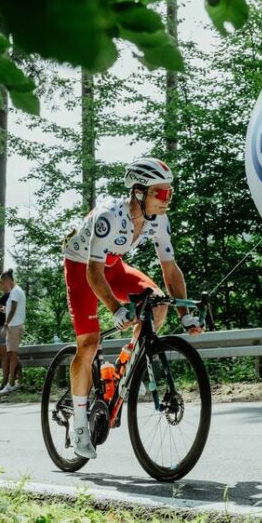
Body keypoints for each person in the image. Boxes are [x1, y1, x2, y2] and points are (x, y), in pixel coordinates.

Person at [62, 157, 203, 459]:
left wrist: (185, 314)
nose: (167, 200)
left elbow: (170, 268)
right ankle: (79, 423)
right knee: (88, 345)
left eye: (170, 193)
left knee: (159, 302)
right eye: (161, 193)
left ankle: (125, 364)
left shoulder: (159, 219)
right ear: (139, 192)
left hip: (113, 266)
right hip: (82, 268)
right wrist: (115, 308)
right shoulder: (109, 217)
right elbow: (93, 273)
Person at [0, 269, 25, 394]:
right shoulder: (18, 291)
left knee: (12, 355)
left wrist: (5, 324)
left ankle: (11, 383)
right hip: (16, 325)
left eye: (2, 283)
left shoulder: (14, 292)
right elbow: (13, 308)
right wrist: (6, 310)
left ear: (8, 280)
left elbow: (14, 308)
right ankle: (20, 380)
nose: (1, 286)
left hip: (14, 326)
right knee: (12, 355)